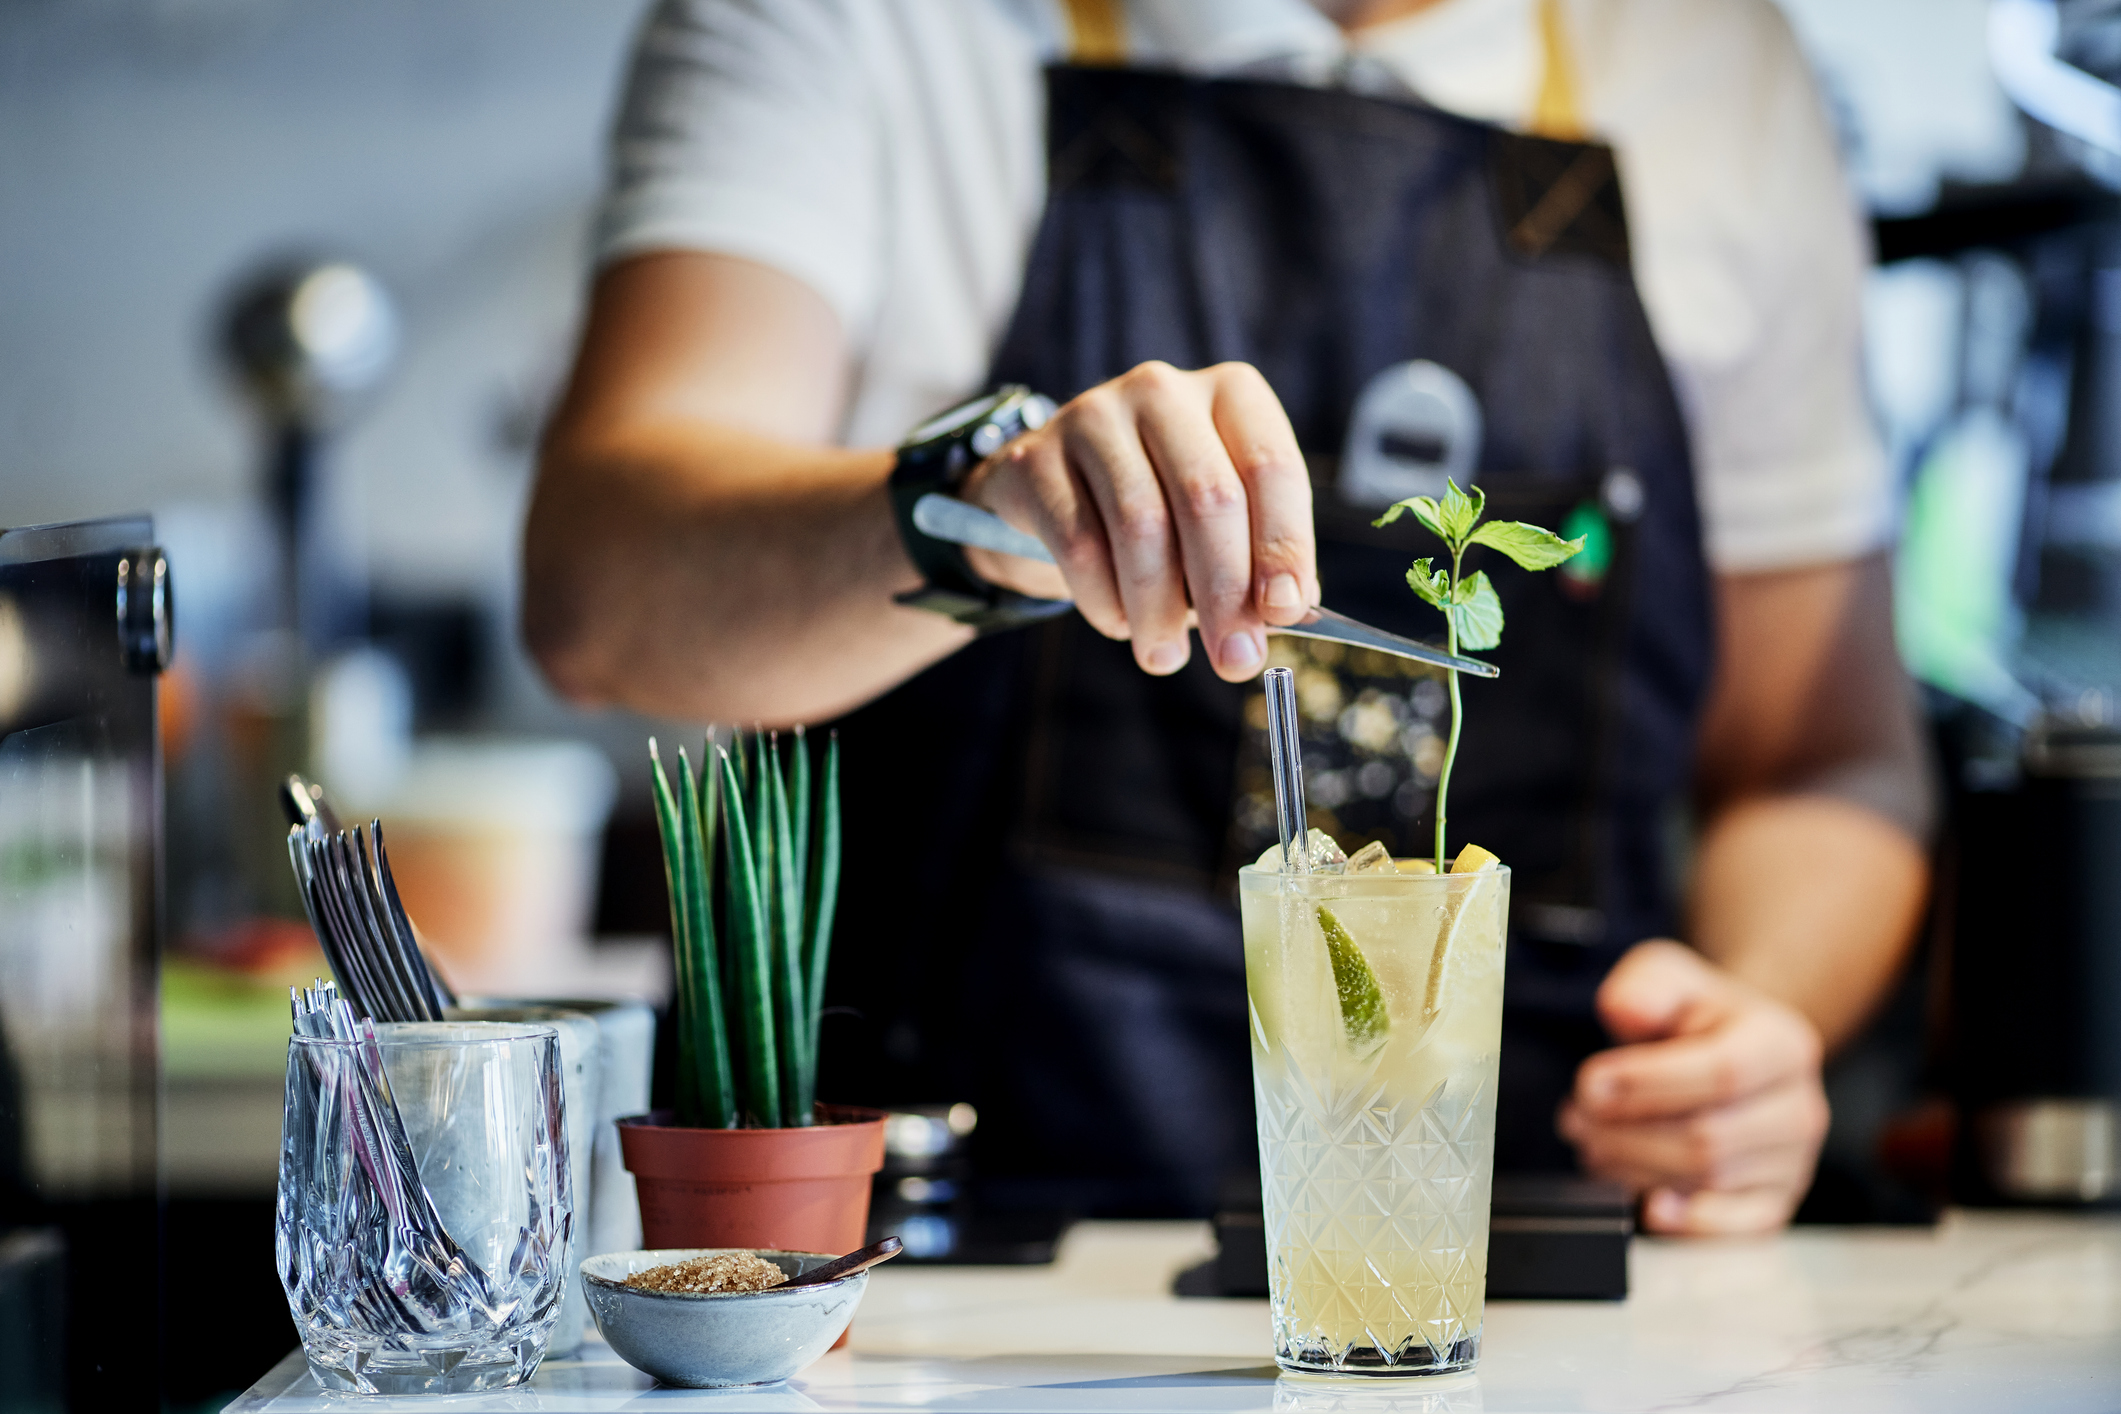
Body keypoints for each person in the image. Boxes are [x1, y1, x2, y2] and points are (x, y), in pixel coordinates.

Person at [525, 0, 1932, 1234]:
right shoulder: (861, 26)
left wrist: (1756, 1021)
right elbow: (600, 594)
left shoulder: (1710, 60)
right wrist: (975, 510)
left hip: (1531, 1268)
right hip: (935, 1279)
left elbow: (1824, 756)